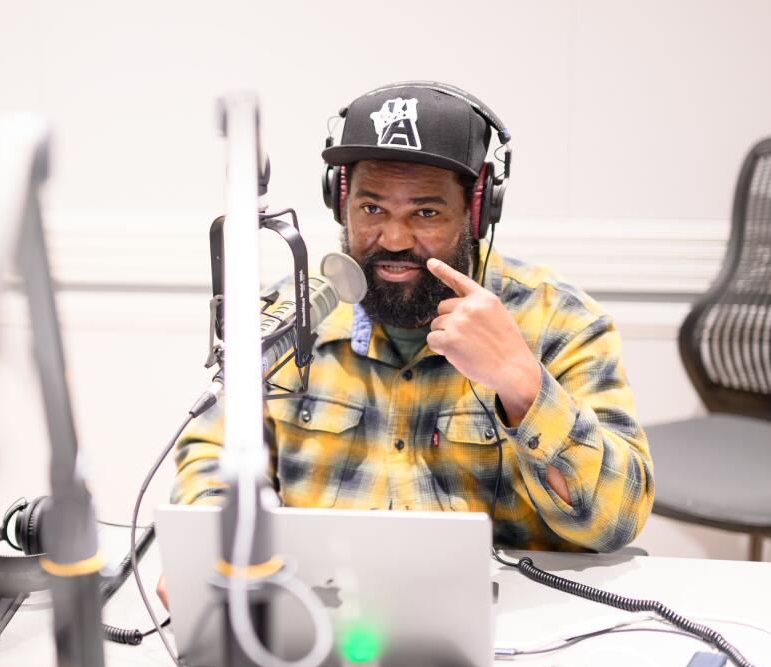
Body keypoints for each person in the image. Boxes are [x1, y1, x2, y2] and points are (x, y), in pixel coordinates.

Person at [172, 81, 654, 555]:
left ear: (476, 211)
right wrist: (216, 551)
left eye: (425, 212)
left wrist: (523, 385)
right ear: (340, 204)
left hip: (510, 626)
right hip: (321, 617)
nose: (395, 239)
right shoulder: (283, 319)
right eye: (372, 207)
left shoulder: (561, 323)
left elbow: (617, 519)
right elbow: (209, 453)